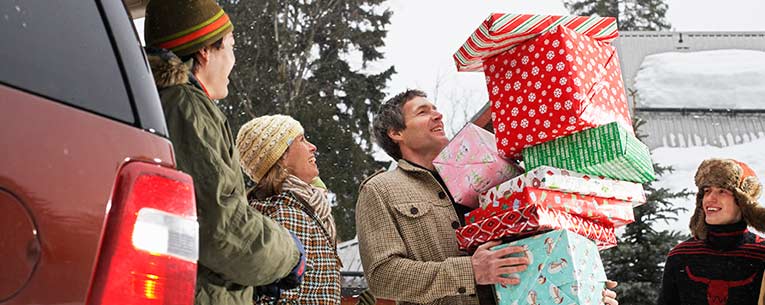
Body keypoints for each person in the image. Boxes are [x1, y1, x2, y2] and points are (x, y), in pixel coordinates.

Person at [355, 89, 619, 305]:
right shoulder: (381, 190)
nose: (438, 115)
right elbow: (383, 276)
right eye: (423, 112)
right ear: (396, 133)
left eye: (436, 109)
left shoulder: (488, 181)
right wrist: (471, 271)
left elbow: (537, 248)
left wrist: (583, 282)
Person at [143, 1, 305, 304]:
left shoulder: (166, 104)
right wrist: (289, 256)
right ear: (205, 51)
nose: (234, 60)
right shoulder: (186, 108)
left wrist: (249, 279)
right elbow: (219, 225)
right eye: (231, 46)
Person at [236, 115, 342, 304]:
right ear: (281, 157)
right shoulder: (287, 211)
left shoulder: (302, 206)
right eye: (302, 140)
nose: (312, 147)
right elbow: (280, 297)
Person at [658, 158, 765, 305]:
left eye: (722, 191)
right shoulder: (681, 255)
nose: (710, 198)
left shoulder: (761, 254)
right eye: (707, 191)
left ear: (743, 201)